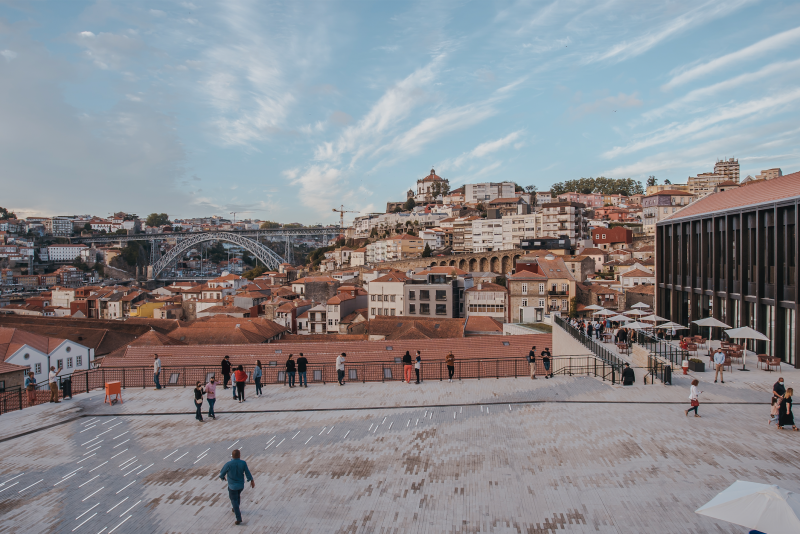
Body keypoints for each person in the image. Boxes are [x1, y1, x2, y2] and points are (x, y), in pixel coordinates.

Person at [219, 449, 254, 526]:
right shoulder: (243, 463)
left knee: (233, 500)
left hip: (232, 486)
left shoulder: (228, 464)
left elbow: (222, 473)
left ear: (232, 456)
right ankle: (235, 508)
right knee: (237, 496)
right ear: (239, 455)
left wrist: (222, 477)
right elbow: (247, 472)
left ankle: (238, 517)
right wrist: (251, 480)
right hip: (241, 485)